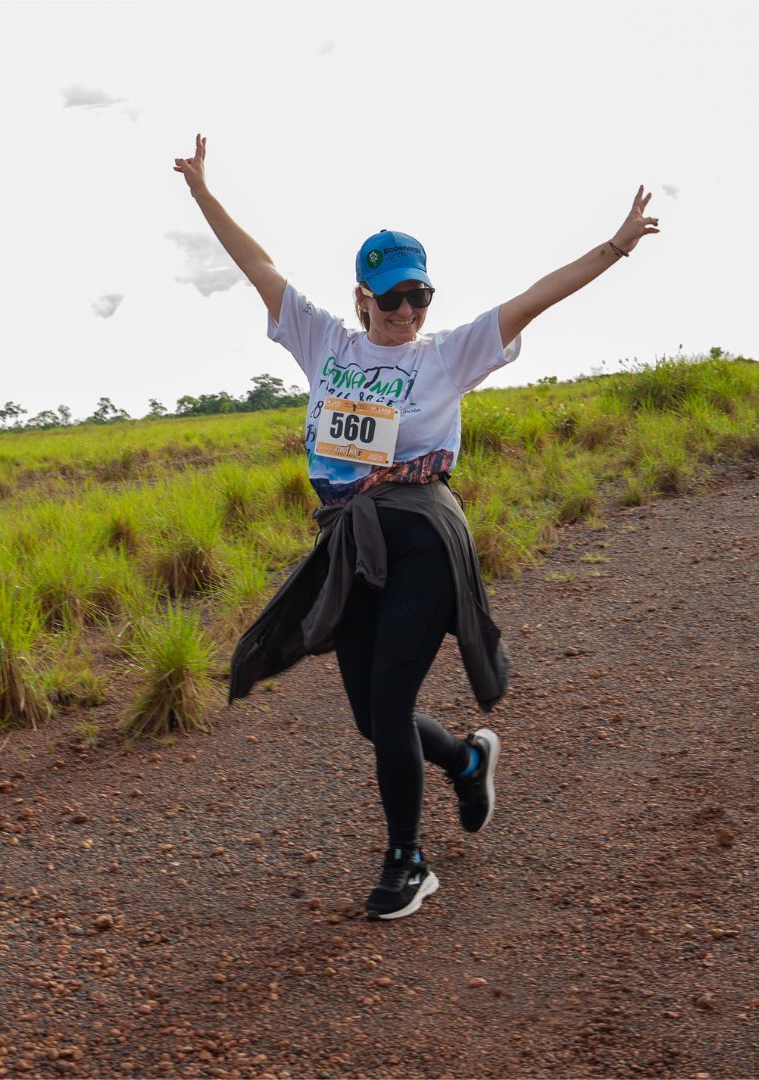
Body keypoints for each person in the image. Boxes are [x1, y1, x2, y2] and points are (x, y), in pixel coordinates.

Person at [174, 133, 659, 920]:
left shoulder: (448, 355)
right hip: (349, 541)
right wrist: (202, 194)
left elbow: (539, 295)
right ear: (362, 295)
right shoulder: (324, 340)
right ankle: (467, 759)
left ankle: (409, 860)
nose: (406, 311)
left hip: (424, 536)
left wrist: (615, 245)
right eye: (392, 297)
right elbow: (256, 264)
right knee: (372, 717)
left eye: (418, 297)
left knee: (392, 704)